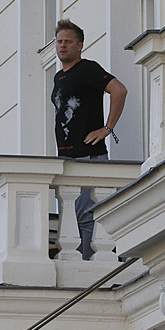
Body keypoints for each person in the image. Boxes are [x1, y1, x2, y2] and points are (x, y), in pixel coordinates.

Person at [51, 19, 127, 259]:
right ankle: (80, 264)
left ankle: (88, 268)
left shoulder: (87, 68)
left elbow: (119, 90)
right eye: (59, 41)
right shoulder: (58, 77)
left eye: (68, 42)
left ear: (80, 45)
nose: (62, 46)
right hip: (68, 157)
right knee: (71, 218)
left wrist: (107, 128)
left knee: (86, 218)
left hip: (88, 155)